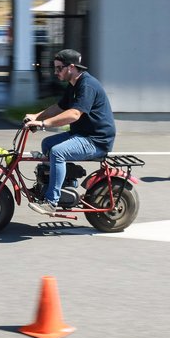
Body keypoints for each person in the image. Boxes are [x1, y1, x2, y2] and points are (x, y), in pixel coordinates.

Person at [23, 49, 116, 215]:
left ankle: (51, 202)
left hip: (96, 140)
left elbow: (74, 114)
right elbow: (59, 107)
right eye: (55, 68)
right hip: (82, 134)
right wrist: (35, 116)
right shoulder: (74, 85)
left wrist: (43, 124)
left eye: (59, 68)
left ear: (71, 67)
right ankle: (62, 185)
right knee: (48, 143)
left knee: (58, 152)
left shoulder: (87, 85)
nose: (56, 72)